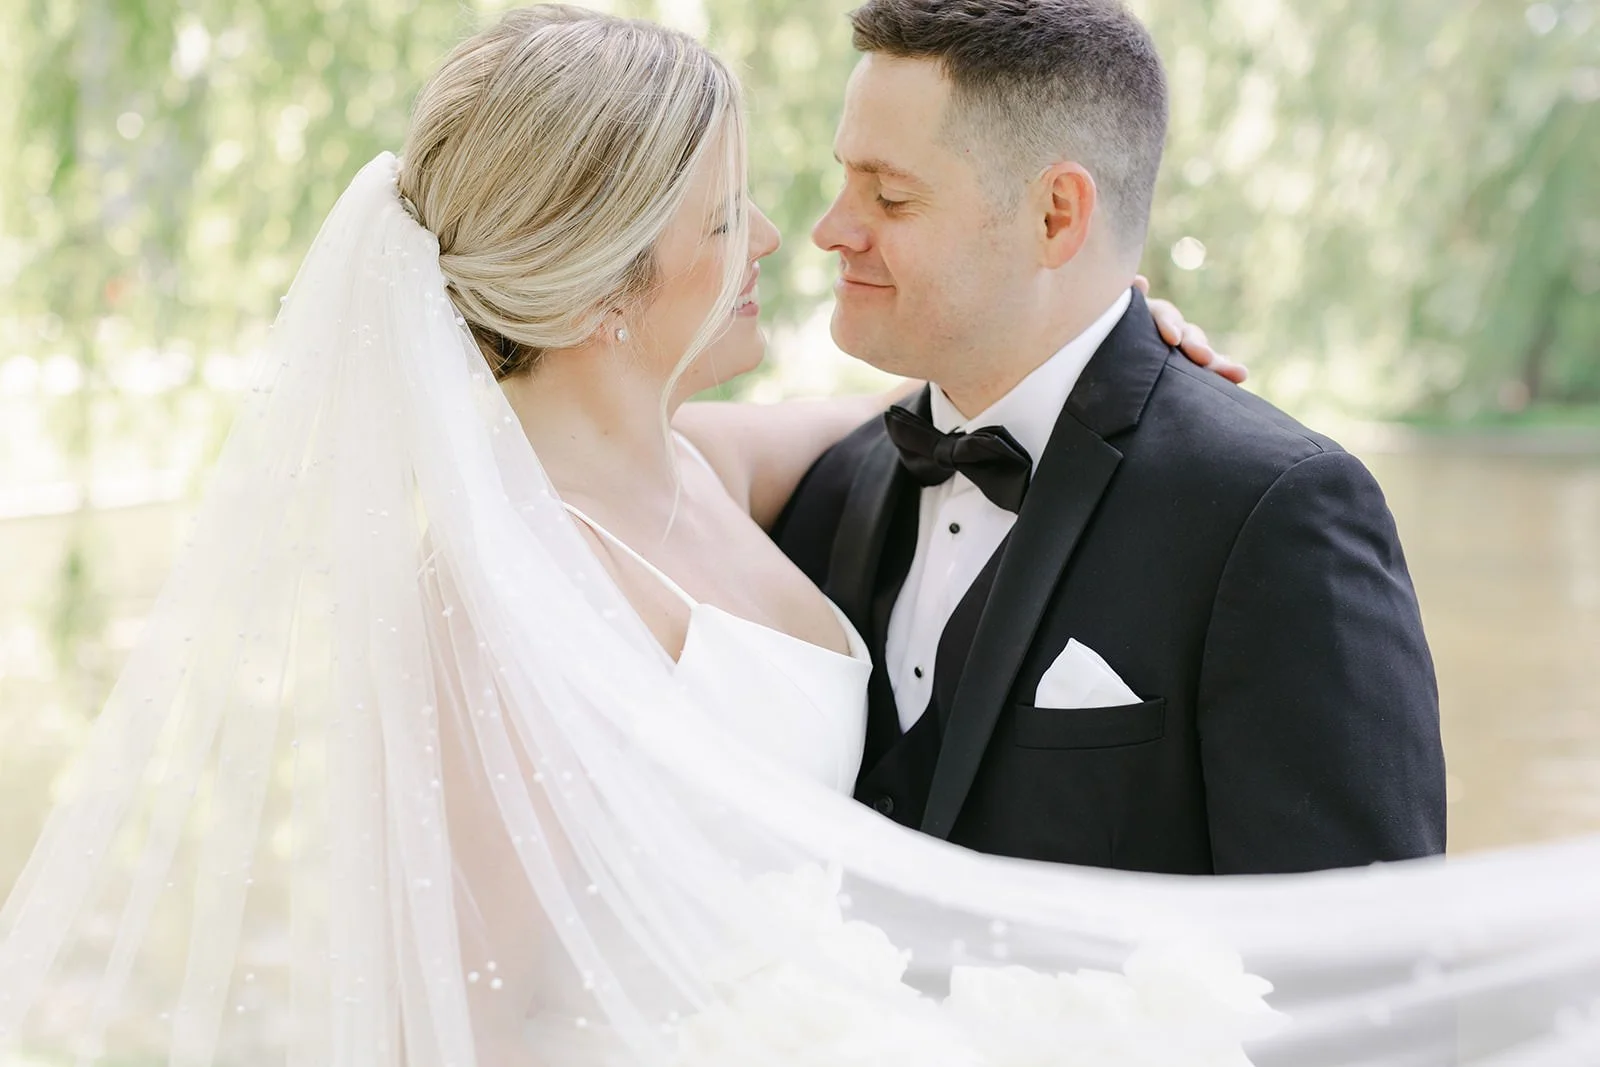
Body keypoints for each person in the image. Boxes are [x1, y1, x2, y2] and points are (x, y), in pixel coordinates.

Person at [3, 7, 1596, 1066]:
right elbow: (474, 1002)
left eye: (876, 195)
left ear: (1049, 215)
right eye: (737, 212)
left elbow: (1375, 1011)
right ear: (612, 283)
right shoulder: (513, 577)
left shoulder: (743, 465)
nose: (802, 234)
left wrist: (1111, 330)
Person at [768, 0, 1447, 875]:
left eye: (890, 196)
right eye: (844, 181)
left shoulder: (1272, 512)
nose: (831, 229)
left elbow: (1366, 968)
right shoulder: (829, 485)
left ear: (1056, 215)